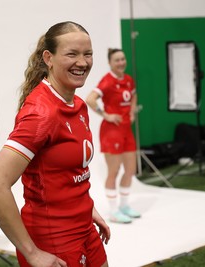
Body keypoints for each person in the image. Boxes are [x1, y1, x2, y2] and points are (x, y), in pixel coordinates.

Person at [0, 21, 110, 267]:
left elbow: (69, 172)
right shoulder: (42, 113)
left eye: (88, 54)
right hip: (53, 238)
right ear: (48, 58)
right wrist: (32, 253)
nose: (82, 62)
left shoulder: (78, 105)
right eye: (72, 54)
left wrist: (88, 210)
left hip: (84, 227)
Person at [85, 48, 140, 224]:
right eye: (117, 60)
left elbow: (133, 96)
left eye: (123, 59)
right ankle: (113, 211)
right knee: (114, 171)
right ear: (110, 63)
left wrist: (131, 112)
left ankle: (124, 206)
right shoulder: (107, 81)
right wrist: (106, 115)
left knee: (130, 169)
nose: (121, 62)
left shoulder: (129, 80)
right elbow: (90, 99)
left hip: (126, 131)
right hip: (111, 132)